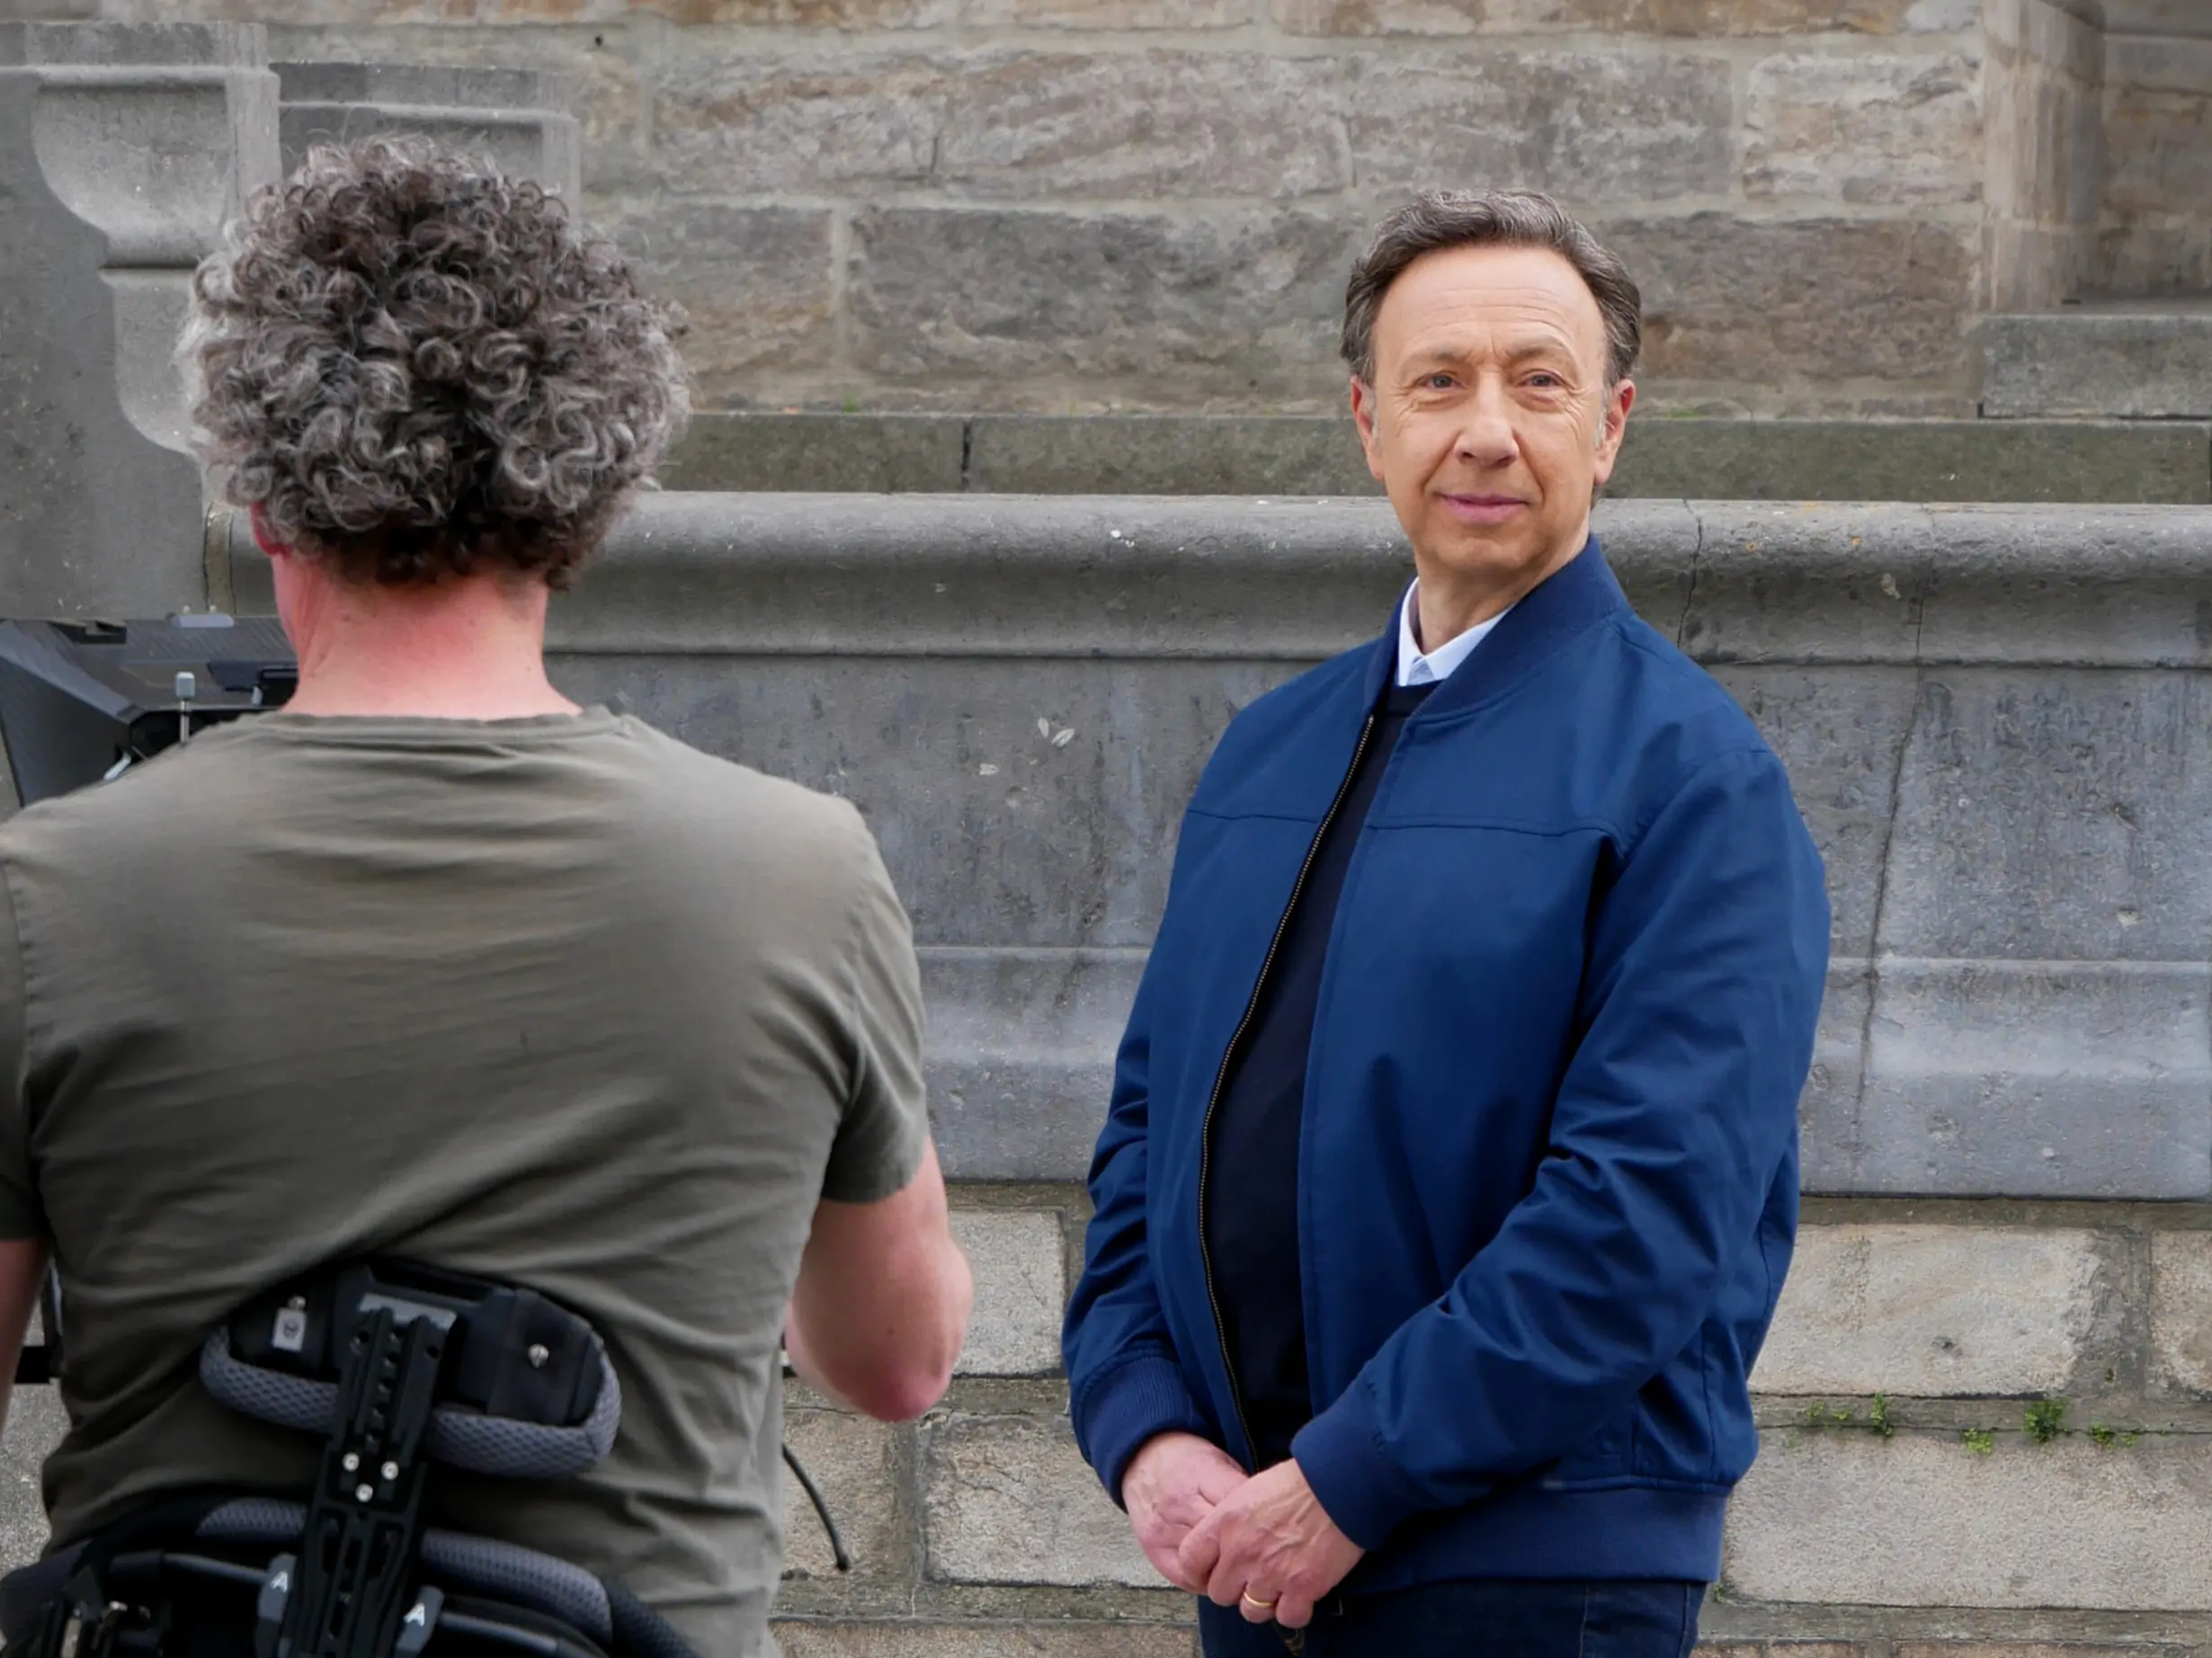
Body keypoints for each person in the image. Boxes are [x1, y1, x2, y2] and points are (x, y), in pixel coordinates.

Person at [0, 139, 971, 1657]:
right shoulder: (802, 869)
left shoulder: (46, 893)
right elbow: (899, 1362)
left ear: (262, 499)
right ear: (586, 501)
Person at [1061, 188, 1831, 1658]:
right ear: (1369, 421)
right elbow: (1142, 1146)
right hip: (1258, 1560)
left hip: (1533, 1568)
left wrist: (1354, 1477)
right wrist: (1145, 1427)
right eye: (1438, 383)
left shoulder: (1689, 778)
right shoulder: (1266, 756)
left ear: (1609, 425)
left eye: (1537, 382)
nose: (1487, 429)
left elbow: (1641, 1217)